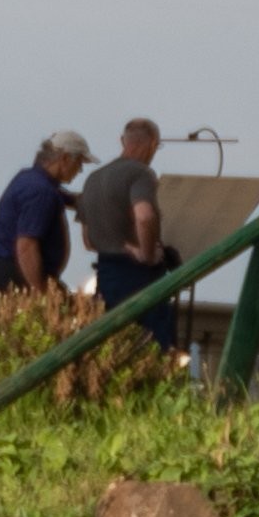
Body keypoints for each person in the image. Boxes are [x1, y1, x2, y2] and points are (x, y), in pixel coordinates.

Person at [80, 117, 173, 350]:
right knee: (151, 349)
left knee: (113, 347)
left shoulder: (93, 179)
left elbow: (88, 240)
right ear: (152, 144)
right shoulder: (141, 174)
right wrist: (146, 253)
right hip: (138, 277)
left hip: (105, 275)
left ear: (123, 141)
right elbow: (144, 215)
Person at [0, 134, 91, 297]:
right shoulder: (42, 192)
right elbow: (26, 246)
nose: (80, 170)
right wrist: (40, 294)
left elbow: (63, 197)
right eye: (78, 163)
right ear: (64, 159)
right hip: (20, 279)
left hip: (4, 273)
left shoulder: (30, 179)